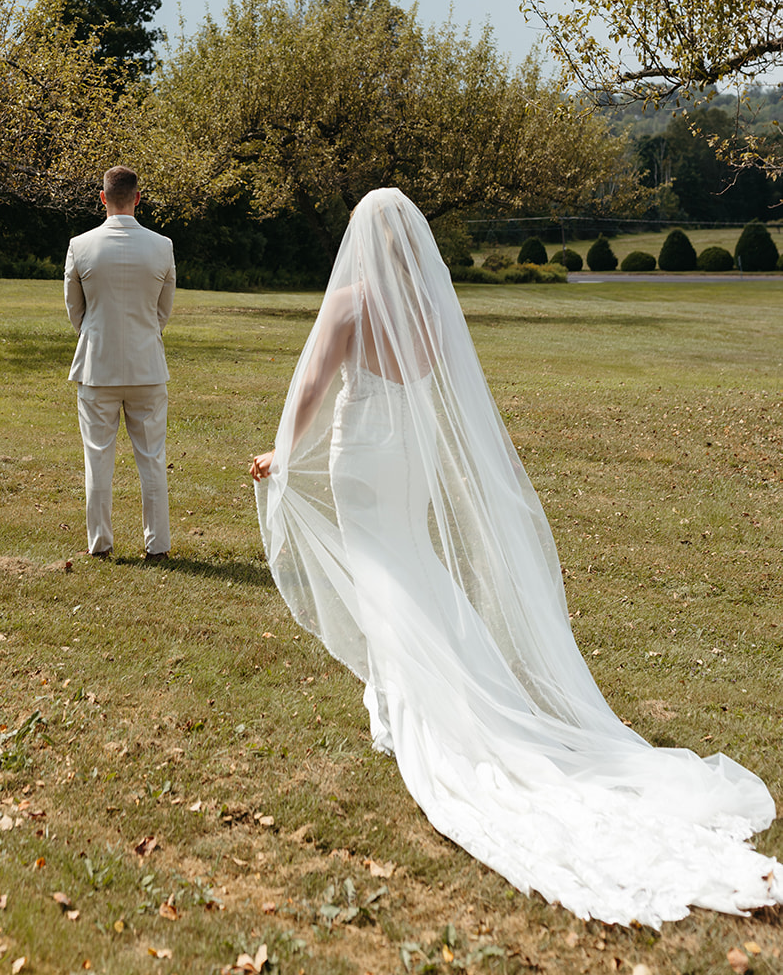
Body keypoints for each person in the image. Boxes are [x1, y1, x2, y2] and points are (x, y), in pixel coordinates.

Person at [251, 188, 783, 926]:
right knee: (413, 568)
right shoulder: (430, 306)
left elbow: (311, 383)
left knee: (382, 576)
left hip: (362, 456)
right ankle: (405, 696)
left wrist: (282, 451)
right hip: (409, 459)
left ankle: (410, 709)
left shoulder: (351, 302)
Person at [65, 165, 176, 560]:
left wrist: (98, 335)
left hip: (98, 367)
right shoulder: (162, 246)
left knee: (97, 460)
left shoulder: (80, 245)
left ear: (102, 198)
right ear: (138, 198)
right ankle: (157, 547)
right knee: (152, 460)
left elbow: (75, 311)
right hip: (147, 366)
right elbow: (163, 312)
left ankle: (100, 545)